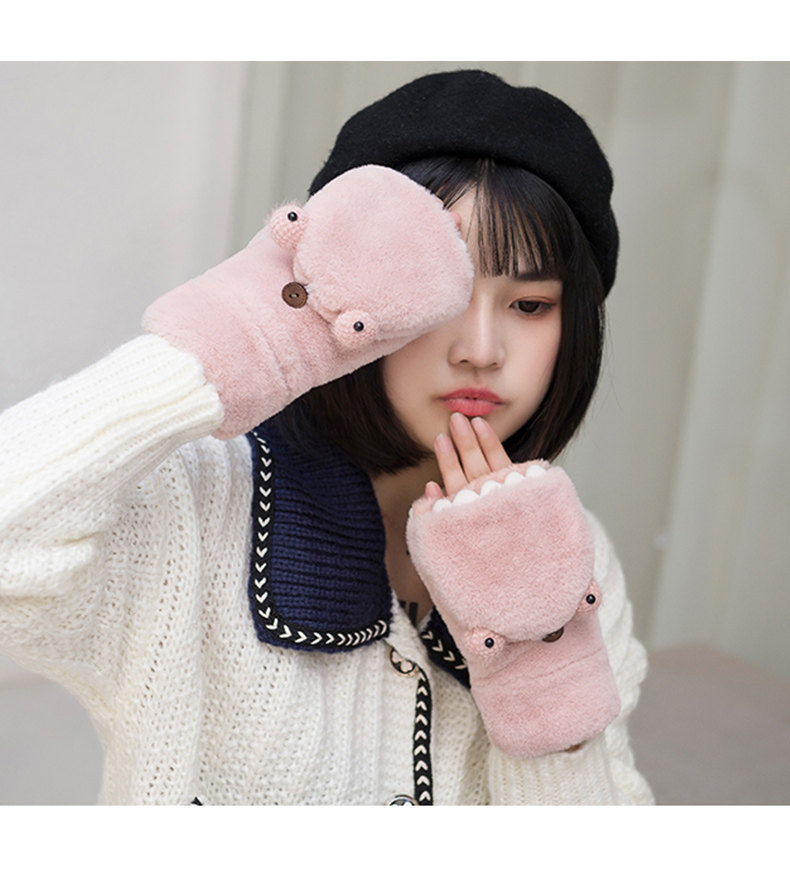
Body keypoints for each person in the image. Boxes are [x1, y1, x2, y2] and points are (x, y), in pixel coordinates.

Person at [0, 68, 653, 805]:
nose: (480, 349)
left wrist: (541, 675)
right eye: (442, 293)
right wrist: (238, 338)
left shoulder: (571, 554)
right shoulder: (201, 501)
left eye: (529, 305)